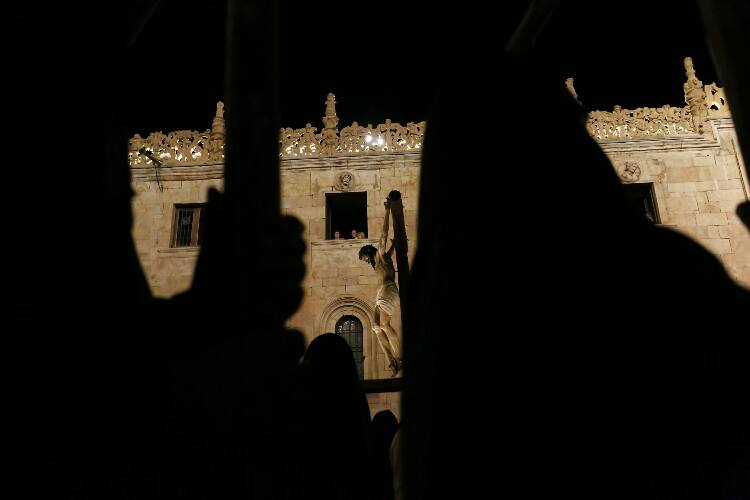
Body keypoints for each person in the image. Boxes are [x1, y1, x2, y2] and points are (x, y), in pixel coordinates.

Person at [359, 200, 402, 376]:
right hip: (381, 292)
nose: (366, 262)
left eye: (364, 258)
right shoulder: (382, 258)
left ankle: (400, 357)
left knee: (384, 324)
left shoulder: (379, 254)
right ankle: (392, 362)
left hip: (389, 289)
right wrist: (395, 245)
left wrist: (387, 211)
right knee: (376, 327)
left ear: (368, 253)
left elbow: (383, 235)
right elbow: (389, 256)